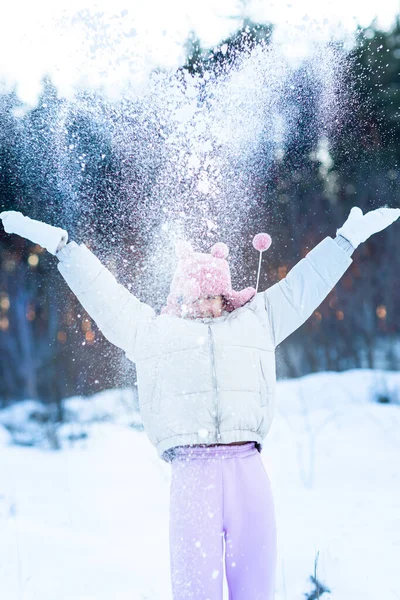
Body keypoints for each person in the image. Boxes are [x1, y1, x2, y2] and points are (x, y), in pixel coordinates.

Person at [1, 205, 399, 599]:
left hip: (248, 472)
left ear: (225, 296)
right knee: (196, 591)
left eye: (212, 295)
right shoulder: (154, 333)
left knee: (256, 588)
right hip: (193, 478)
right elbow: (107, 298)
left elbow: (301, 288)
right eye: (195, 296)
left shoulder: (259, 319)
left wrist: (344, 242)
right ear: (178, 299)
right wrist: (65, 249)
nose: (204, 304)